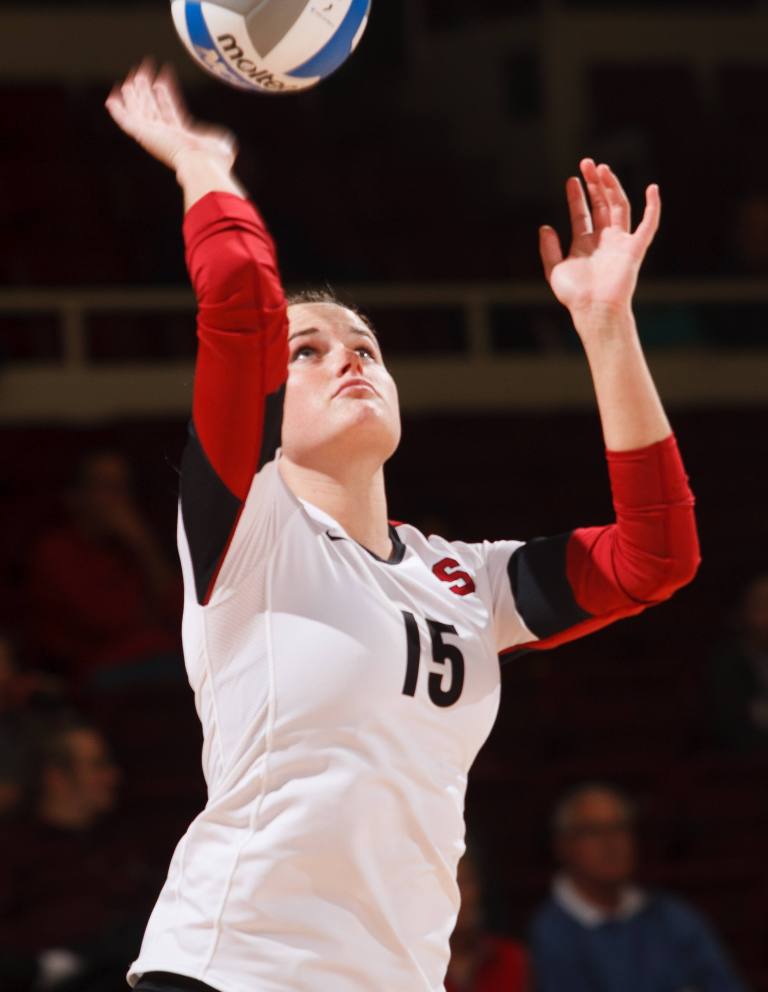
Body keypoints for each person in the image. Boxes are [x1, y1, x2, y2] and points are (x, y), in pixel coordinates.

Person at [104, 61, 699, 992]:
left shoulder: (470, 581)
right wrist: (200, 165)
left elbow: (655, 557)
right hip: (229, 971)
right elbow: (236, 295)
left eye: (366, 346)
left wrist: (606, 326)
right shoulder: (247, 523)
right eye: (309, 349)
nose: (348, 358)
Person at [530, 783, 746, 992]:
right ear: (562, 845)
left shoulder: (674, 916)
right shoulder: (549, 935)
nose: (610, 843)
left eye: (619, 828)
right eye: (593, 831)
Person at [0, 718, 156, 992]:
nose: (113, 777)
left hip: (129, 970)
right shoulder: (13, 848)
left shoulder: (119, 839)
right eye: (98, 766)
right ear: (56, 778)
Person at [26, 450, 182, 687]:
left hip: (155, 654)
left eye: (122, 488)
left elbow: (178, 609)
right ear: (75, 496)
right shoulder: (56, 551)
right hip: (98, 668)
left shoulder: (128, 549)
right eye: (105, 487)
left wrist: (143, 546)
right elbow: (106, 621)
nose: (117, 499)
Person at [445, 848, 528, 992]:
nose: (462, 896)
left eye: (466, 882)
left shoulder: (511, 960)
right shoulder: (414, 969)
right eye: (450, 886)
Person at [709, 573, 768, 750]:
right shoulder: (726, 665)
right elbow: (731, 724)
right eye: (762, 607)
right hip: (746, 761)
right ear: (744, 613)